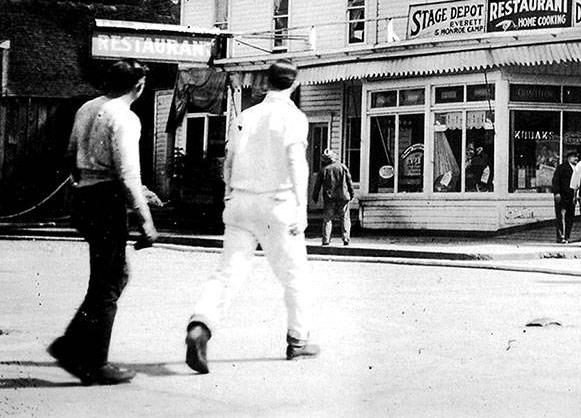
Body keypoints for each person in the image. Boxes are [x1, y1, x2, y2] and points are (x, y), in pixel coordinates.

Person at [184, 60, 319, 375]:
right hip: (278, 203)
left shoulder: (245, 116)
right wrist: (301, 209)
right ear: (294, 84)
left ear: (265, 83)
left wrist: (229, 192)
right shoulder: (294, 118)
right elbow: (297, 163)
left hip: (241, 202)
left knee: (227, 273)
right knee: (294, 275)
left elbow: (228, 160)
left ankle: (200, 326)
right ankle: (298, 340)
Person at [48, 60, 156, 386]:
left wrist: (86, 182)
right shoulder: (125, 117)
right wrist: (145, 220)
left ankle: (71, 344)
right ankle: (94, 362)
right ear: (138, 86)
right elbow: (126, 173)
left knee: (114, 275)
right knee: (108, 283)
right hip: (108, 201)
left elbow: (69, 154)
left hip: (85, 196)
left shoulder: (88, 108)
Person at [313, 149, 356, 247]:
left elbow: (317, 186)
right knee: (345, 218)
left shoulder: (324, 170)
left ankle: (326, 240)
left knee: (327, 219)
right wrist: (352, 194)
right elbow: (349, 182)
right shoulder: (342, 167)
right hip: (343, 197)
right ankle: (346, 239)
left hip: (329, 198)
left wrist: (315, 197)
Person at [552, 151, 577, 244]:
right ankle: (561, 236)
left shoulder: (576, 168)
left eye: (576, 157)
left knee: (570, 217)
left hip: (571, 197)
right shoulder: (561, 168)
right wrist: (556, 193)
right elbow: (555, 181)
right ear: (568, 158)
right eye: (574, 157)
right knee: (561, 216)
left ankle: (567, 236)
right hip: (562, 196)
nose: (576, 159)